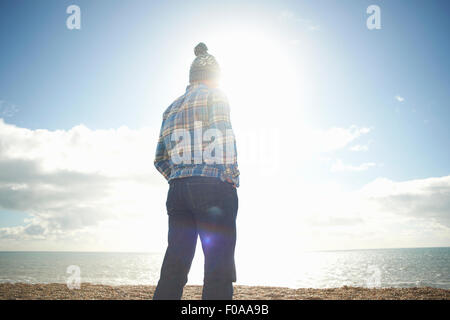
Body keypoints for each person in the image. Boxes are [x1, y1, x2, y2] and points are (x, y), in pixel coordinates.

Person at [153, 43, 240, 300]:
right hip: (213, 186)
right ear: (214, 77)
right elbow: (224, 137)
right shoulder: (216, 95)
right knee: (218, 267)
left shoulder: (170, 108)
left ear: (191, 79)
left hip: (177, 191)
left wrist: (180, 176)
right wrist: (230, 176)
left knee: (175, 266)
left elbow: (159, 159)